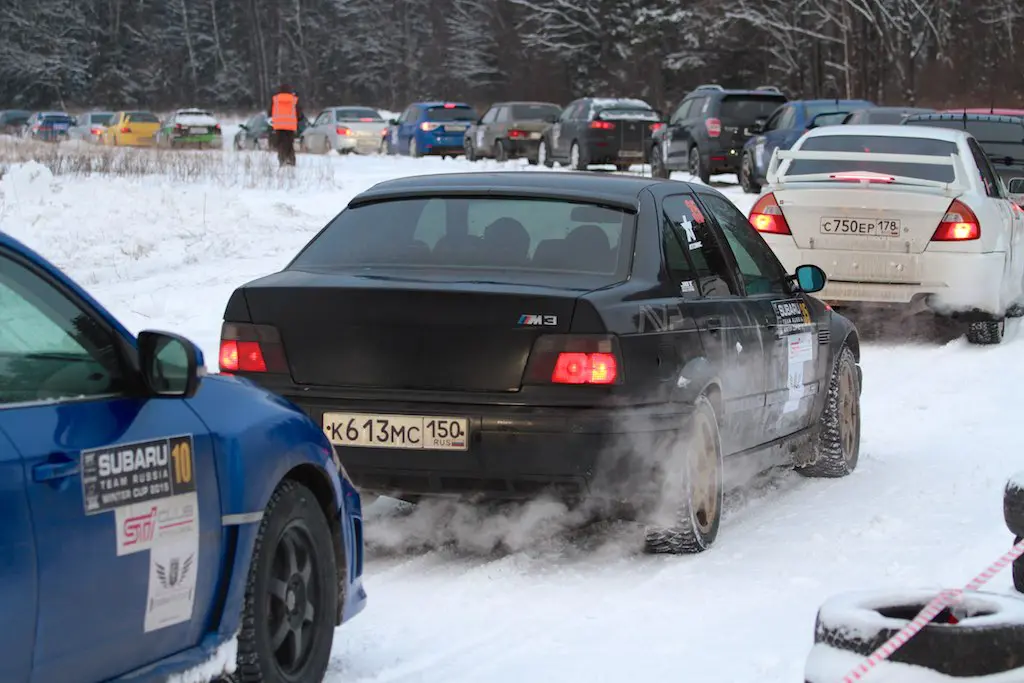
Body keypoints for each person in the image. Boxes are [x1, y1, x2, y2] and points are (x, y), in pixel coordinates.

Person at [267, 83, 303, 167]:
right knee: (289, 143)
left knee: (281, 143)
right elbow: (299, 113)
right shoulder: (294, 99)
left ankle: (282, 159)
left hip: (278, 125)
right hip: (290, 126)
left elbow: (269, 112)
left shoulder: (275, 99)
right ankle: (291, 160)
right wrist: (298, 118)